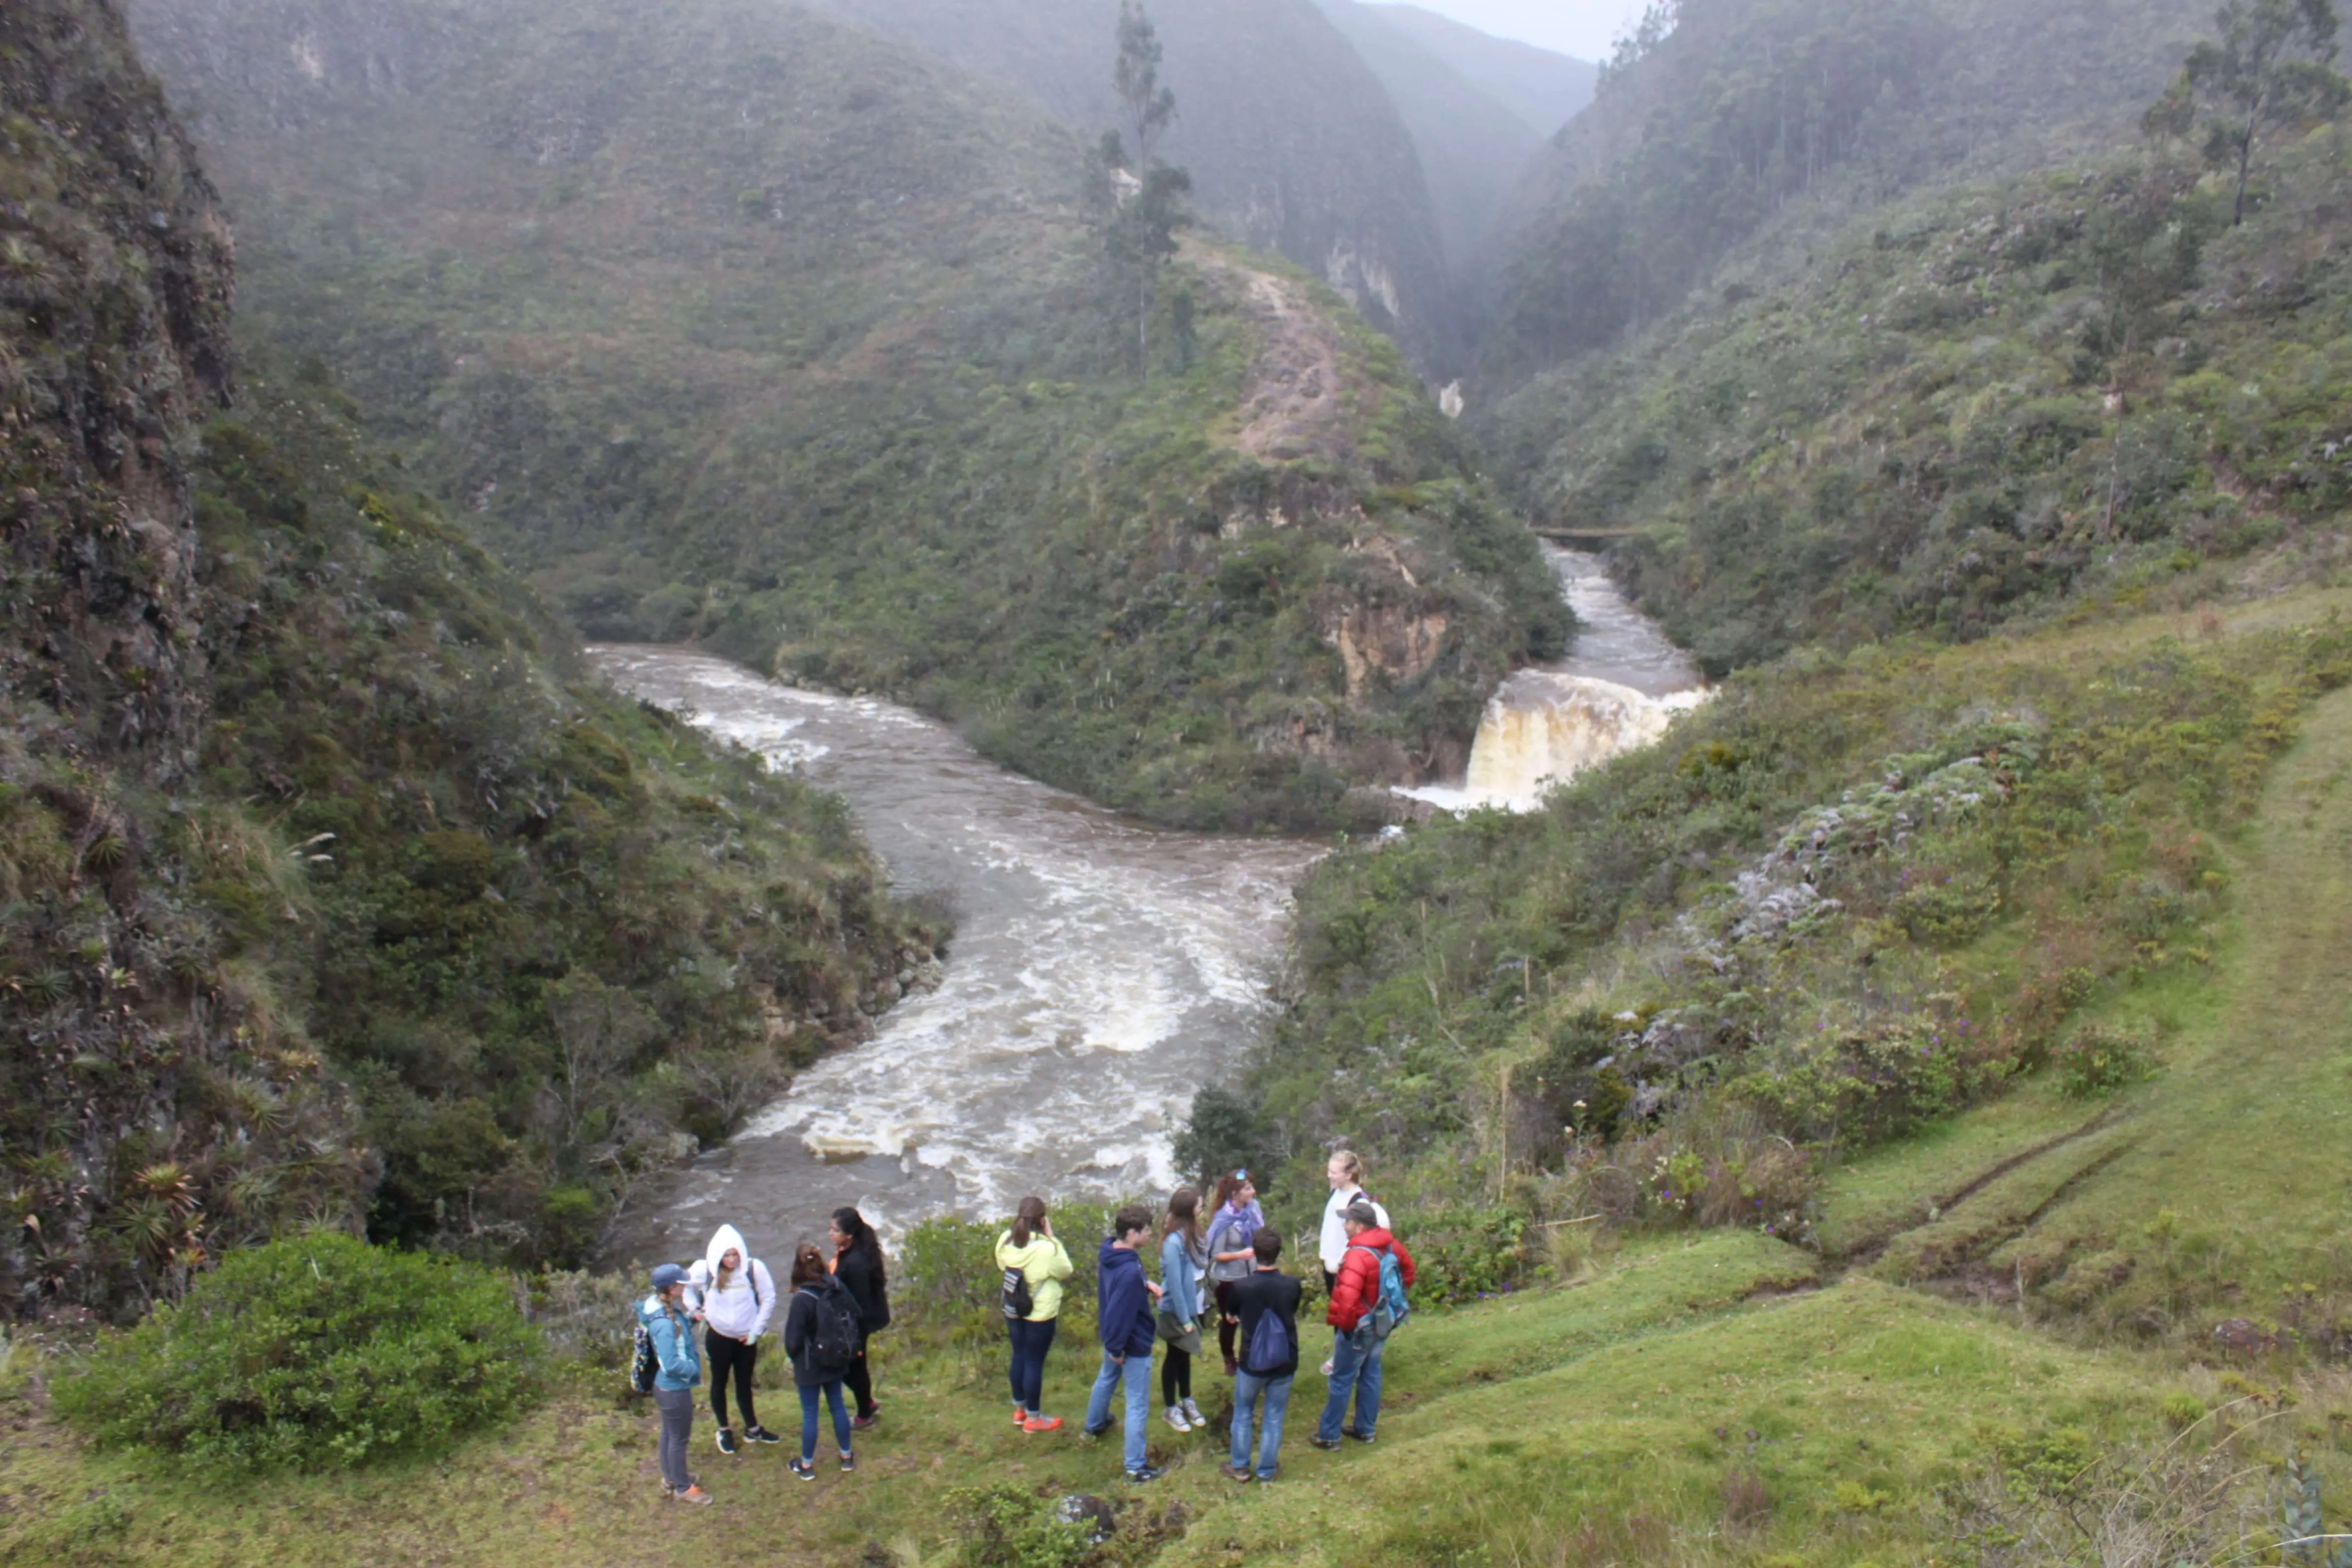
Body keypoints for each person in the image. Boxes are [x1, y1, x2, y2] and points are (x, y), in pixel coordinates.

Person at [1312, 1202, 1415, 1451]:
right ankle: (1365, 1429)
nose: (1344, 1226)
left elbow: (1347, 1300)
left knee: (1341, 1379)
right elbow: (1408, 1270)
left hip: (1359, 1327)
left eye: (1347, 1221)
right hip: (1382, 1322)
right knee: (1371, 1373)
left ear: (1359, 1226)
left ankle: (1329, 1435)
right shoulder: (1390, 1244)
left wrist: (1345, 1328)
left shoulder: (1357, 1254)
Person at [1082, 1204, 1165, 1482]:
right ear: (1132, 1233)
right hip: (1131, 1343)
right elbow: (1122, 1310)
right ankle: (1135, 1467)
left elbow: (1119, 1289)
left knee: (1106, 1379)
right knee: (1137, 1404)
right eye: (1146, 1231)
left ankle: (1094, 1426)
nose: (1150, 1235)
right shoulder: (1129, 1270)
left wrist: (1146, 1283)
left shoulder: (1111, 1252)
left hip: (1112, 1337)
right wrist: (1118, 1349)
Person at [686, 1224, 779, 1455]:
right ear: (718, 1255)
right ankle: (724, 1429)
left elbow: (768, 1297)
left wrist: (756, 1330)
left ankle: (752, 1428)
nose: (732, 1260)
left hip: (746, 1340)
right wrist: (695, 1309)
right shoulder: (704, 1270)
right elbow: (686, 1288)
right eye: (727, 1255)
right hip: (719, 1338)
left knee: (744, 1383)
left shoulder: (753, 1269)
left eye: (735, 1254)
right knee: (719, 1382)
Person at [1223, 1228, 1303, 1483]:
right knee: (1274, 1415)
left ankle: (1240, 1468)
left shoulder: (1241, 1286)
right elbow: (1292, 1309)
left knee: (1244, 1413)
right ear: (1279, 1253)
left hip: (1251, 1362)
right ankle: (1267, 1470)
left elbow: (1231, 1316)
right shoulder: (1292, 1285)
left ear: (1254, 1254)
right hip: (1284, 1360)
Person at [996, 1196, 1075, 1432]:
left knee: (1018, 1355)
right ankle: (1034, 1418)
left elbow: (1003, 1266)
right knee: (1033, 1362)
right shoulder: (1046, 1248)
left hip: (1012, 1308)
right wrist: (1052, 1238)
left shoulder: (1005, 1240)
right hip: (1040, 1312)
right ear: (1042, 1221)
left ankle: (1020, 1411)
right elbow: (1066, 1270)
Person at [637, 1263, 713, 1504]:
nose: (685, 1285)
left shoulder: (663, 1310)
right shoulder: (663, 1323)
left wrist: (690, 1318)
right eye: (681, 1283)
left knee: (670, 1434)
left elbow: (675, 1330)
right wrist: (693, 1369)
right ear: (671, 1288)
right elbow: (670, 1362)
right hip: (674, 1388)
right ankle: (683, 1487)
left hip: (666, 1387)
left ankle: (672, 1477)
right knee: (679, 1438)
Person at [782, 1243, 858, 1479]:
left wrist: (793, 1357)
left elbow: (793, 1339)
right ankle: (846, 1457)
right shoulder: (835, 1286)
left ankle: (806, 1466)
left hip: (809, 1364)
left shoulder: (801, 1299)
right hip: (836, 1358)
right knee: (838, 1406)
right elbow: (855, 1311)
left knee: (810, 1413)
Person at [1316, 1150, 1389, 1376]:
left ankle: (1350, 1360)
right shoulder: (1335, 1194)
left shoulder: (1359, 1202)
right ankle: (1344, 1355)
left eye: (1334, 1172)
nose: (1329, 1176)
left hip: (1347, 1268)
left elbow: (1374, 1233)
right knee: (1340, 1316)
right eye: (1329, 1171)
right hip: (1331, 1265)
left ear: (1349, 1174)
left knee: (1352, 1316)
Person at [828, 1207, 890, 1429]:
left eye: (835, 1230)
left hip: (856, 1324)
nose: (830, 1234)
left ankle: (865, 1412)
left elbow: (859, 1302)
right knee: (854, 1366)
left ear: (849, 1235)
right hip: (855, 1322)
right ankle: (867, 1403)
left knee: (850, 1367)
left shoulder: (856, 1263)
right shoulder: (854, 1251)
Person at [1157, 1189, 1209, 1432]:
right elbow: (1175, 1285)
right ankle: (1171, 1407)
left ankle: (1186, 1399)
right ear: (1189, 1210)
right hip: (1176, 1311)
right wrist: (1185, 1319)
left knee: (1184, 1354)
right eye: (1199, 1206)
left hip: (1190, 1306)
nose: (1202, 1208)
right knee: (1175, 1355)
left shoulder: (1191, 1233)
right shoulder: (1172, 1242)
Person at [1203, 1171, 1264, 1376]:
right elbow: (1216, 1254)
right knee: (1230, 1321)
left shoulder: (1254, 1208)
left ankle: (1253, 1356)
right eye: (1248, 1189)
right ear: (1236, 1194)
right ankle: (1229, 1359)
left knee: (1254, 1317)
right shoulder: (1223, 1219)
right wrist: (1240, 1254)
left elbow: (1260, 1232)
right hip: (1229, 1280)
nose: (1253, 1192)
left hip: (1253, 1272)